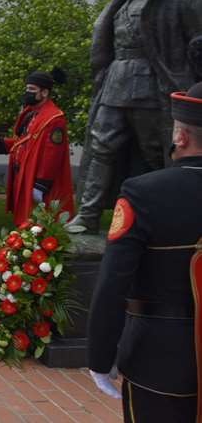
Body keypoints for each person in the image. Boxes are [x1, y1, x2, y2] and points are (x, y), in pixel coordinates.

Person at [87, 81, 202, 422]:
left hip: (162, 356)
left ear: (180, 137)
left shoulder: (144, 193)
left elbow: (113, 283)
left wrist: (100, 356)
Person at [70, 0, 202, 234]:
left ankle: (168, 215)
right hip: (116, 80)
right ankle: (87, 215)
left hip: (154, 84)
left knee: (157, 152)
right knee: (102, 145)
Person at [0, 69, 74, 227]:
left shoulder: (54, 119)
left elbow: (52, 156)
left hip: (37, 181)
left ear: (44, 92)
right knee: (25, 223)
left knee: (37, 226)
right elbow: (24, 143)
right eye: (27, 89)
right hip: (24, 176)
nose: (27, 93)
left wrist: (40, 186)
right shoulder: (32, 113)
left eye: (32, 90)